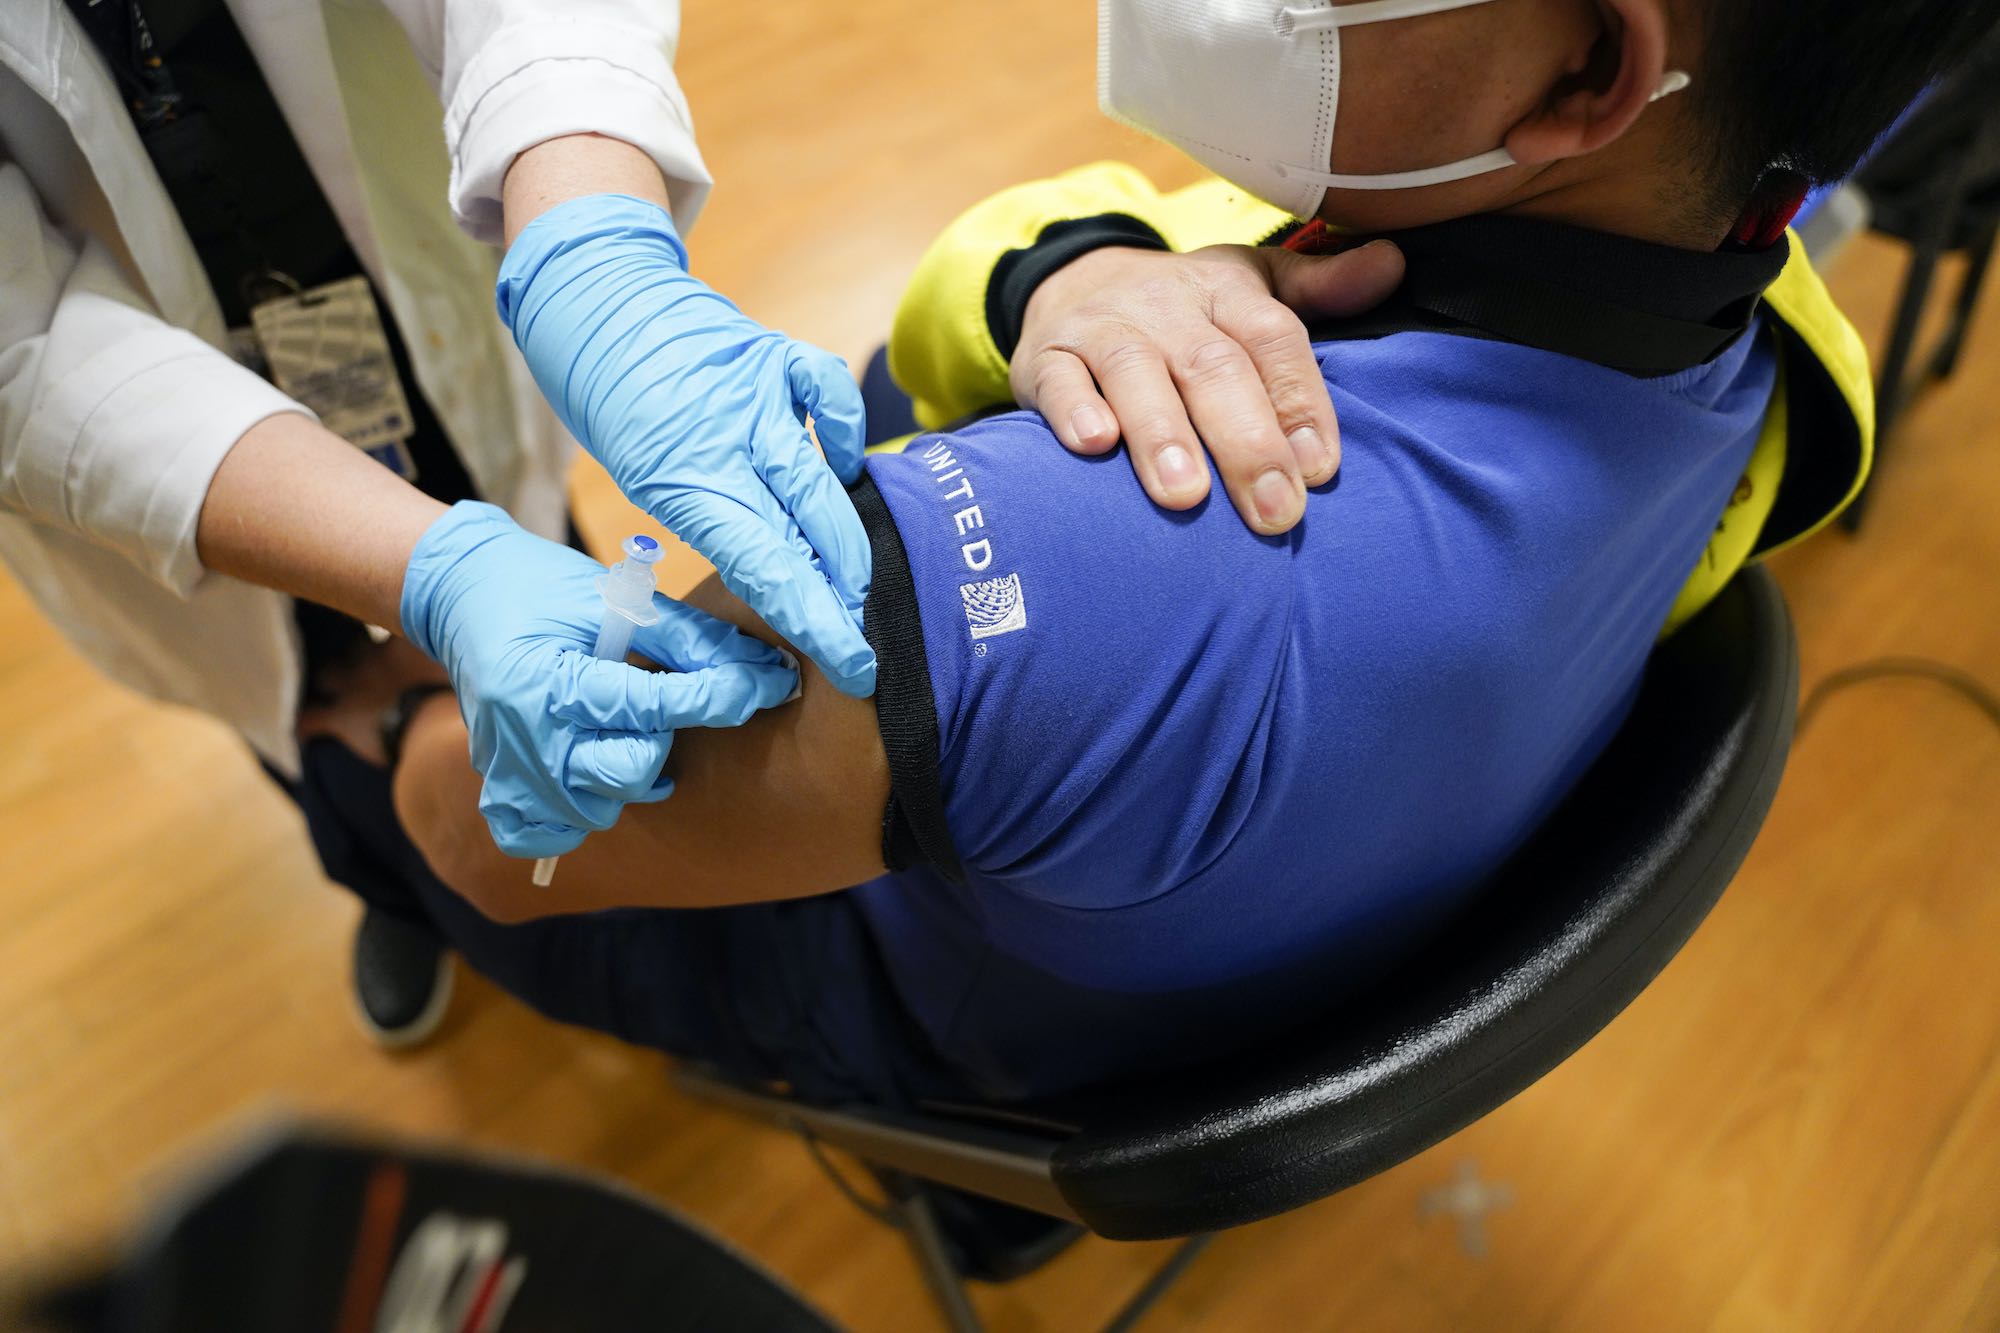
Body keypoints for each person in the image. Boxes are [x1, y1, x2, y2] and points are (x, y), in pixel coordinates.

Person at [357, 0, 2000, 1125]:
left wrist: (410, 612)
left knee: (370, 761)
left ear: (1585, 71)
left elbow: (493, 831)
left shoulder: (1118, 559)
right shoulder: (1756, 324)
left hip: (902, 964)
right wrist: (1064, 263)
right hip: (1200, 904)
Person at [0, 0, 1398, 1044]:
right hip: (136, 402)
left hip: (415, 282)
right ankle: (369, 849)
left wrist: (591, 249)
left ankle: (404, 770)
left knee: (510, 639)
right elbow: (27, 343)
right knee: (332, 725)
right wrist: (429, 575)